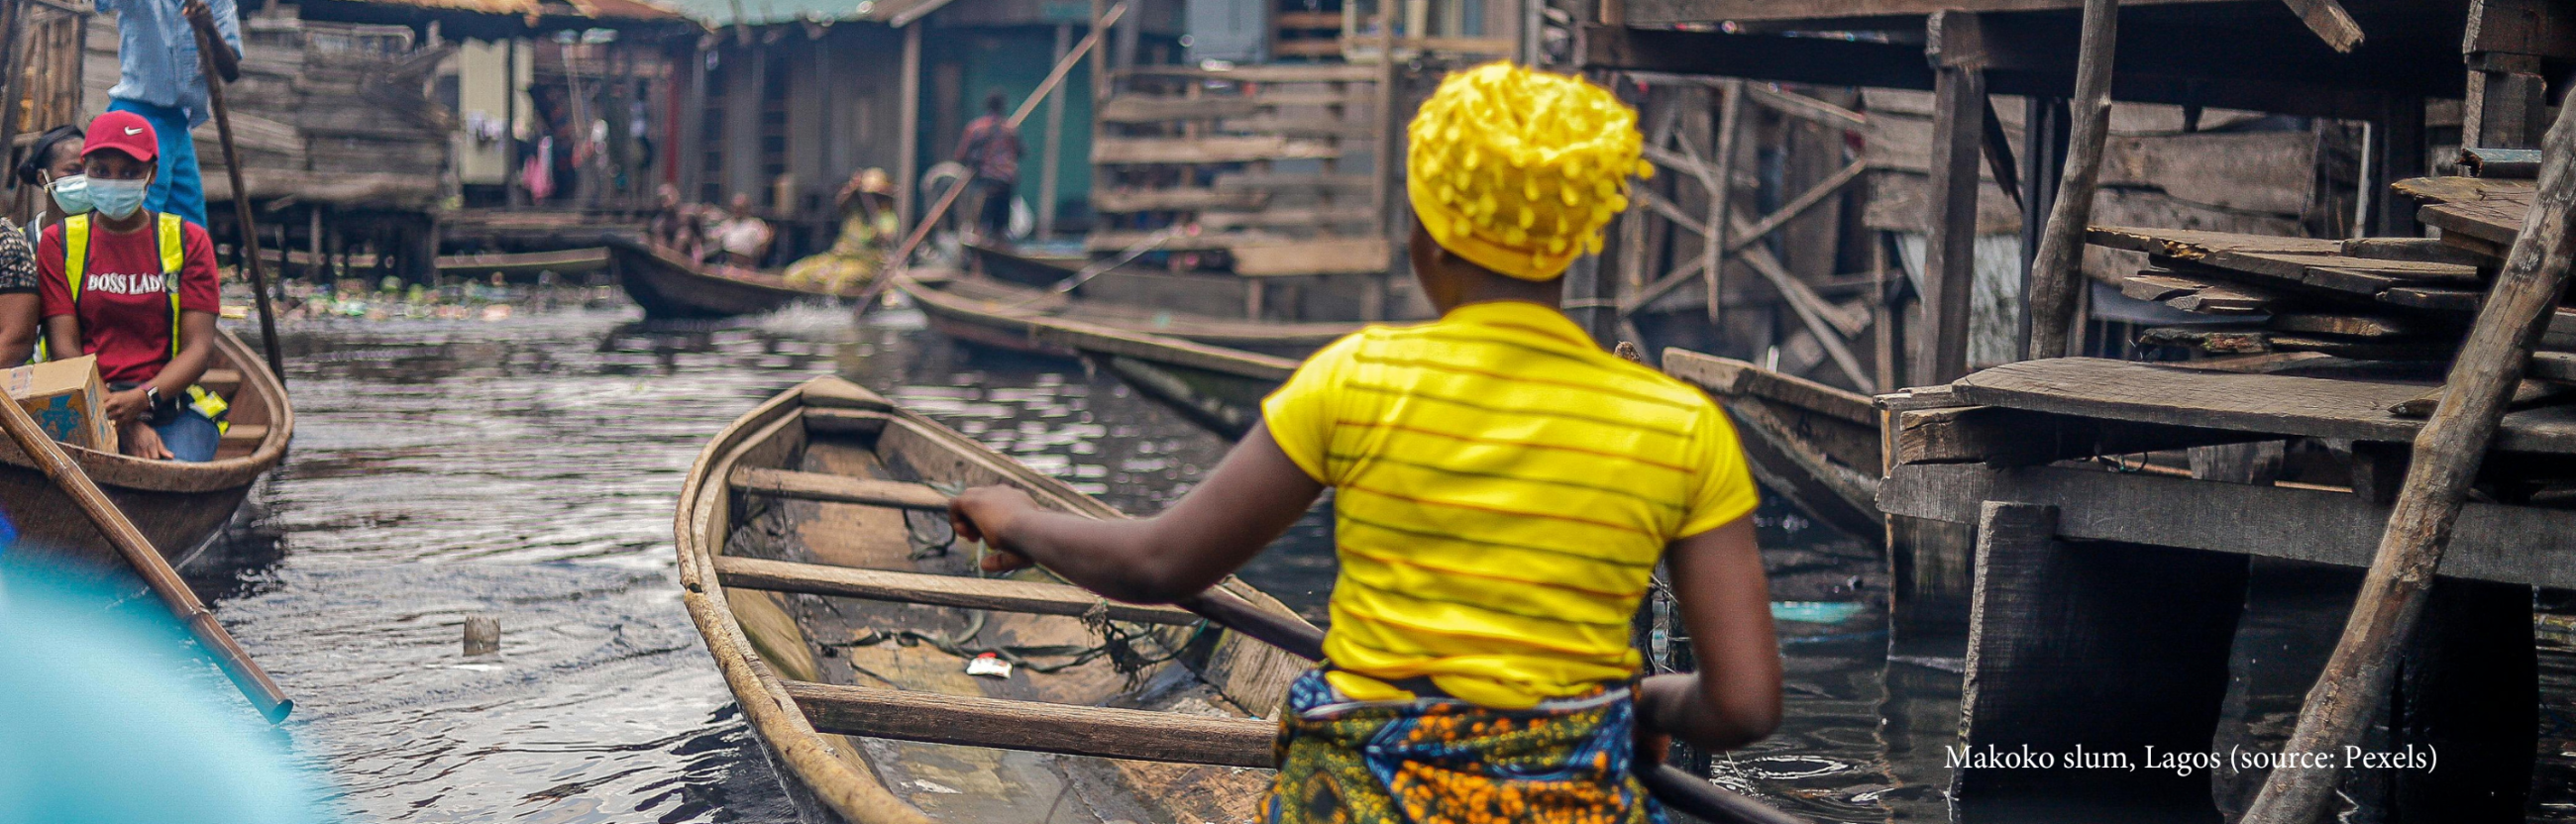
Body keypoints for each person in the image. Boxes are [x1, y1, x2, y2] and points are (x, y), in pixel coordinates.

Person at [945, 62, 1780, 823]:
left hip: (1359, 799)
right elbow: (1743, 705)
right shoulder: (1681, 424)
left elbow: (1158, 564)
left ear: (1429, 239)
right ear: (1573, 242)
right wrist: (1639, 703)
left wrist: (1017, 519)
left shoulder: (1356, 379)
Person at [39, 111, 227, 462]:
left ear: (152, 174)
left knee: (173, 471)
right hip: (85, 402)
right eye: (101, 171)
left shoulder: (188, 240)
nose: (114, 182)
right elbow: (65, 347)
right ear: (85, 169)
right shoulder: (59, 242)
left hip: (169, 405)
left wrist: (143, 399)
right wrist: (119, 419)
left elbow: (199, 348)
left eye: (129, 173)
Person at [93, 0, 240, 230]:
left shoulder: (217, 3)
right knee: (139, 213)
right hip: (135, 115)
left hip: (178, 123)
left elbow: (230, 72)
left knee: (188, 222)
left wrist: (209, 28)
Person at [0, 127, 72, 365]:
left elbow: (16, 340)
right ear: (42, 177)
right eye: (73, 170)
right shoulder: (24, 239)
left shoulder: (7, 243)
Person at [784, 168, 901, 293]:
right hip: (838, 258)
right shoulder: (854, 211)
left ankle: (835, 303)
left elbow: (887, 236)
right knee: (796, 273)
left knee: (839, 282)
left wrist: (878, 228)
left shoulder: (886, 216)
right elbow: (840, 203)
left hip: (866, 264)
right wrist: (852, 188)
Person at [952, 93, 1022, 242]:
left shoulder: (976, 128)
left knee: (980, 225)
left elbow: (961, 154)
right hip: (1006, 180)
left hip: (986, 181)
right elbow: (1020, 152)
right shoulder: (1011, 129)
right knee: (1000, 228)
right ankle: (997, 247)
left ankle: (981, 250)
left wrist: (976, 162)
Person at [711, 193, 772, 268]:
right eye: (735, 207)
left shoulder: (756, 225)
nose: (737, 210)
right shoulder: (726, 225)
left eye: (740, 208)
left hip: (747, 266)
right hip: (729, 264)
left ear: (747, 208)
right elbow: (714, 239)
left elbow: (763, 247)